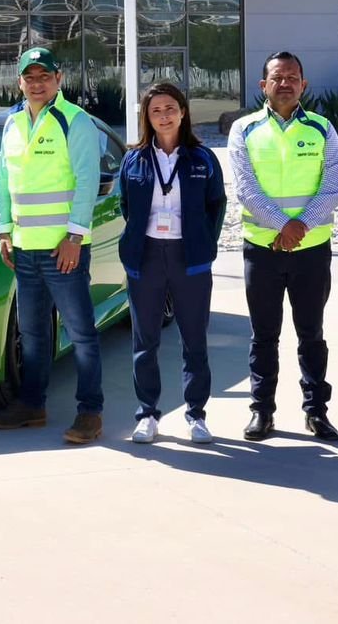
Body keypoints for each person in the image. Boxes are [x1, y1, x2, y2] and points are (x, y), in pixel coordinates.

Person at [0, 46, 105, 445]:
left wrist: (74, 237)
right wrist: (4, 231)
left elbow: (87, 182)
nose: (37, 84)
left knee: (81, 333)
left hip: (62, 250)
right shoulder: (13, 122)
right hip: (24, 249)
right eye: (30, 77)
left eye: (44, 77)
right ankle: (32, 405)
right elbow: (4, 180)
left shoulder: (76, 121)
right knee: (33, 335)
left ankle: (90, 412)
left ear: (59, 79)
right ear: (20, 82)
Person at [227, 51, 338, 442]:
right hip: (262, 250)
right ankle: (262, 411)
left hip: (312, 251)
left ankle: (316, 412)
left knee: (311, 334)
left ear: (303, 85)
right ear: (264, 85)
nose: (285, 83)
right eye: (277, 77)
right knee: (264, 336)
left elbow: (332, 187)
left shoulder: (323, 129)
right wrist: (283, 226)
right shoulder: (244, 129)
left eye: (293, 77)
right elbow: (246, 189)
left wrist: (300, 228)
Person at [117, 82, 227, 445]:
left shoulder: (203, 158)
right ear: (147, 118)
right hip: (146, 256)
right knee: (145, 341)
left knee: (194, 339)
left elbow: (216, 205)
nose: (163, 116)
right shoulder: (134, 159)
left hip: (189, 257)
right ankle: (147, 413)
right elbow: (126, 206)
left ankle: (196, 414)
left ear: (182, 112)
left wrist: (203, 243)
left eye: (170, 108)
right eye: (156, 111)